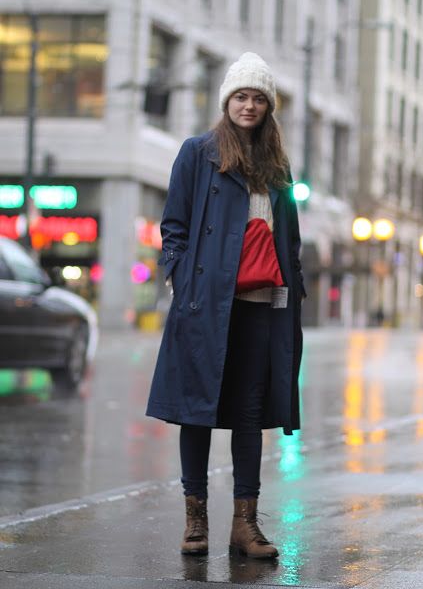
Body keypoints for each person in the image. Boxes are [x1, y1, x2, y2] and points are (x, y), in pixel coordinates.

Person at [146, 52, 306, 559]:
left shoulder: (276, 167)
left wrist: (290, 295)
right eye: (241, 96)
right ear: (227, 101)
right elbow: (173, 228)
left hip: (261, 307)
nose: (249, 105)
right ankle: (196, 522)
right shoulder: (198, 153)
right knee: (196, 411)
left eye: (259, 98)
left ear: (269, 108)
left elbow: (290, 242)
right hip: (205, 306)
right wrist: (181, 282)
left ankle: (245, 524)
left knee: (250, 414)